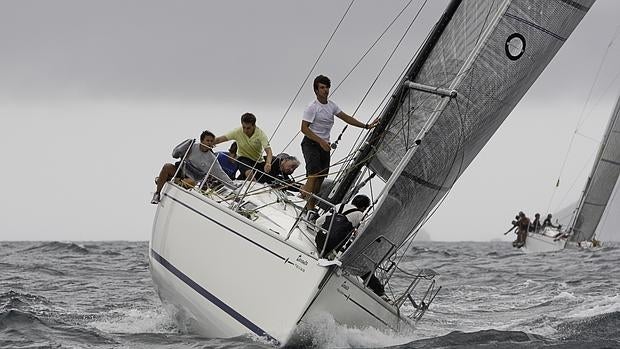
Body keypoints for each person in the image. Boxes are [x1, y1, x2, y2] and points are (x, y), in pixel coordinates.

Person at [300, 75, 379, 213]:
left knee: (321, 178)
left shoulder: (331, 106)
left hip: (325, 145)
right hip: (311, 143)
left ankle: (311, 206)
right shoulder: (312, 107)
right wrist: (320, 141)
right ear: (316, 90)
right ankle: (306, 204)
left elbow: (346, 117)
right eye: (322, 88)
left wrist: (366, 126)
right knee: (313, 174)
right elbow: (304, 128)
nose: (325, 90)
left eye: (327, 87)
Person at [151, 130, 235, 204]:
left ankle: (164, 179)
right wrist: (185, 145)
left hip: (193, 178)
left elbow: (220, 174)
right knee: (167, 166)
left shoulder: (212, 158)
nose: (209, 143)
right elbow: (175, 154)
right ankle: (157, 193)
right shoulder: (192, 146)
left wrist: (234, 187)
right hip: (182, 170)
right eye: (207, 140)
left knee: (191, 181)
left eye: (211, 141)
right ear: (202, 140)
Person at [215, 113, 273, 181]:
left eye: (248, 128)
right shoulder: (237, 131)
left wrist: (268, 163)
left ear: (254, 126)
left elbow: (269, 151)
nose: (245, 130)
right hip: (243, 158)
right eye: (244, 127)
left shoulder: (261, 135)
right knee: (249, 173)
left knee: (262, 180)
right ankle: (252, 186)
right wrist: (206, 143)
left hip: (258, 161)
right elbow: (220, 139)